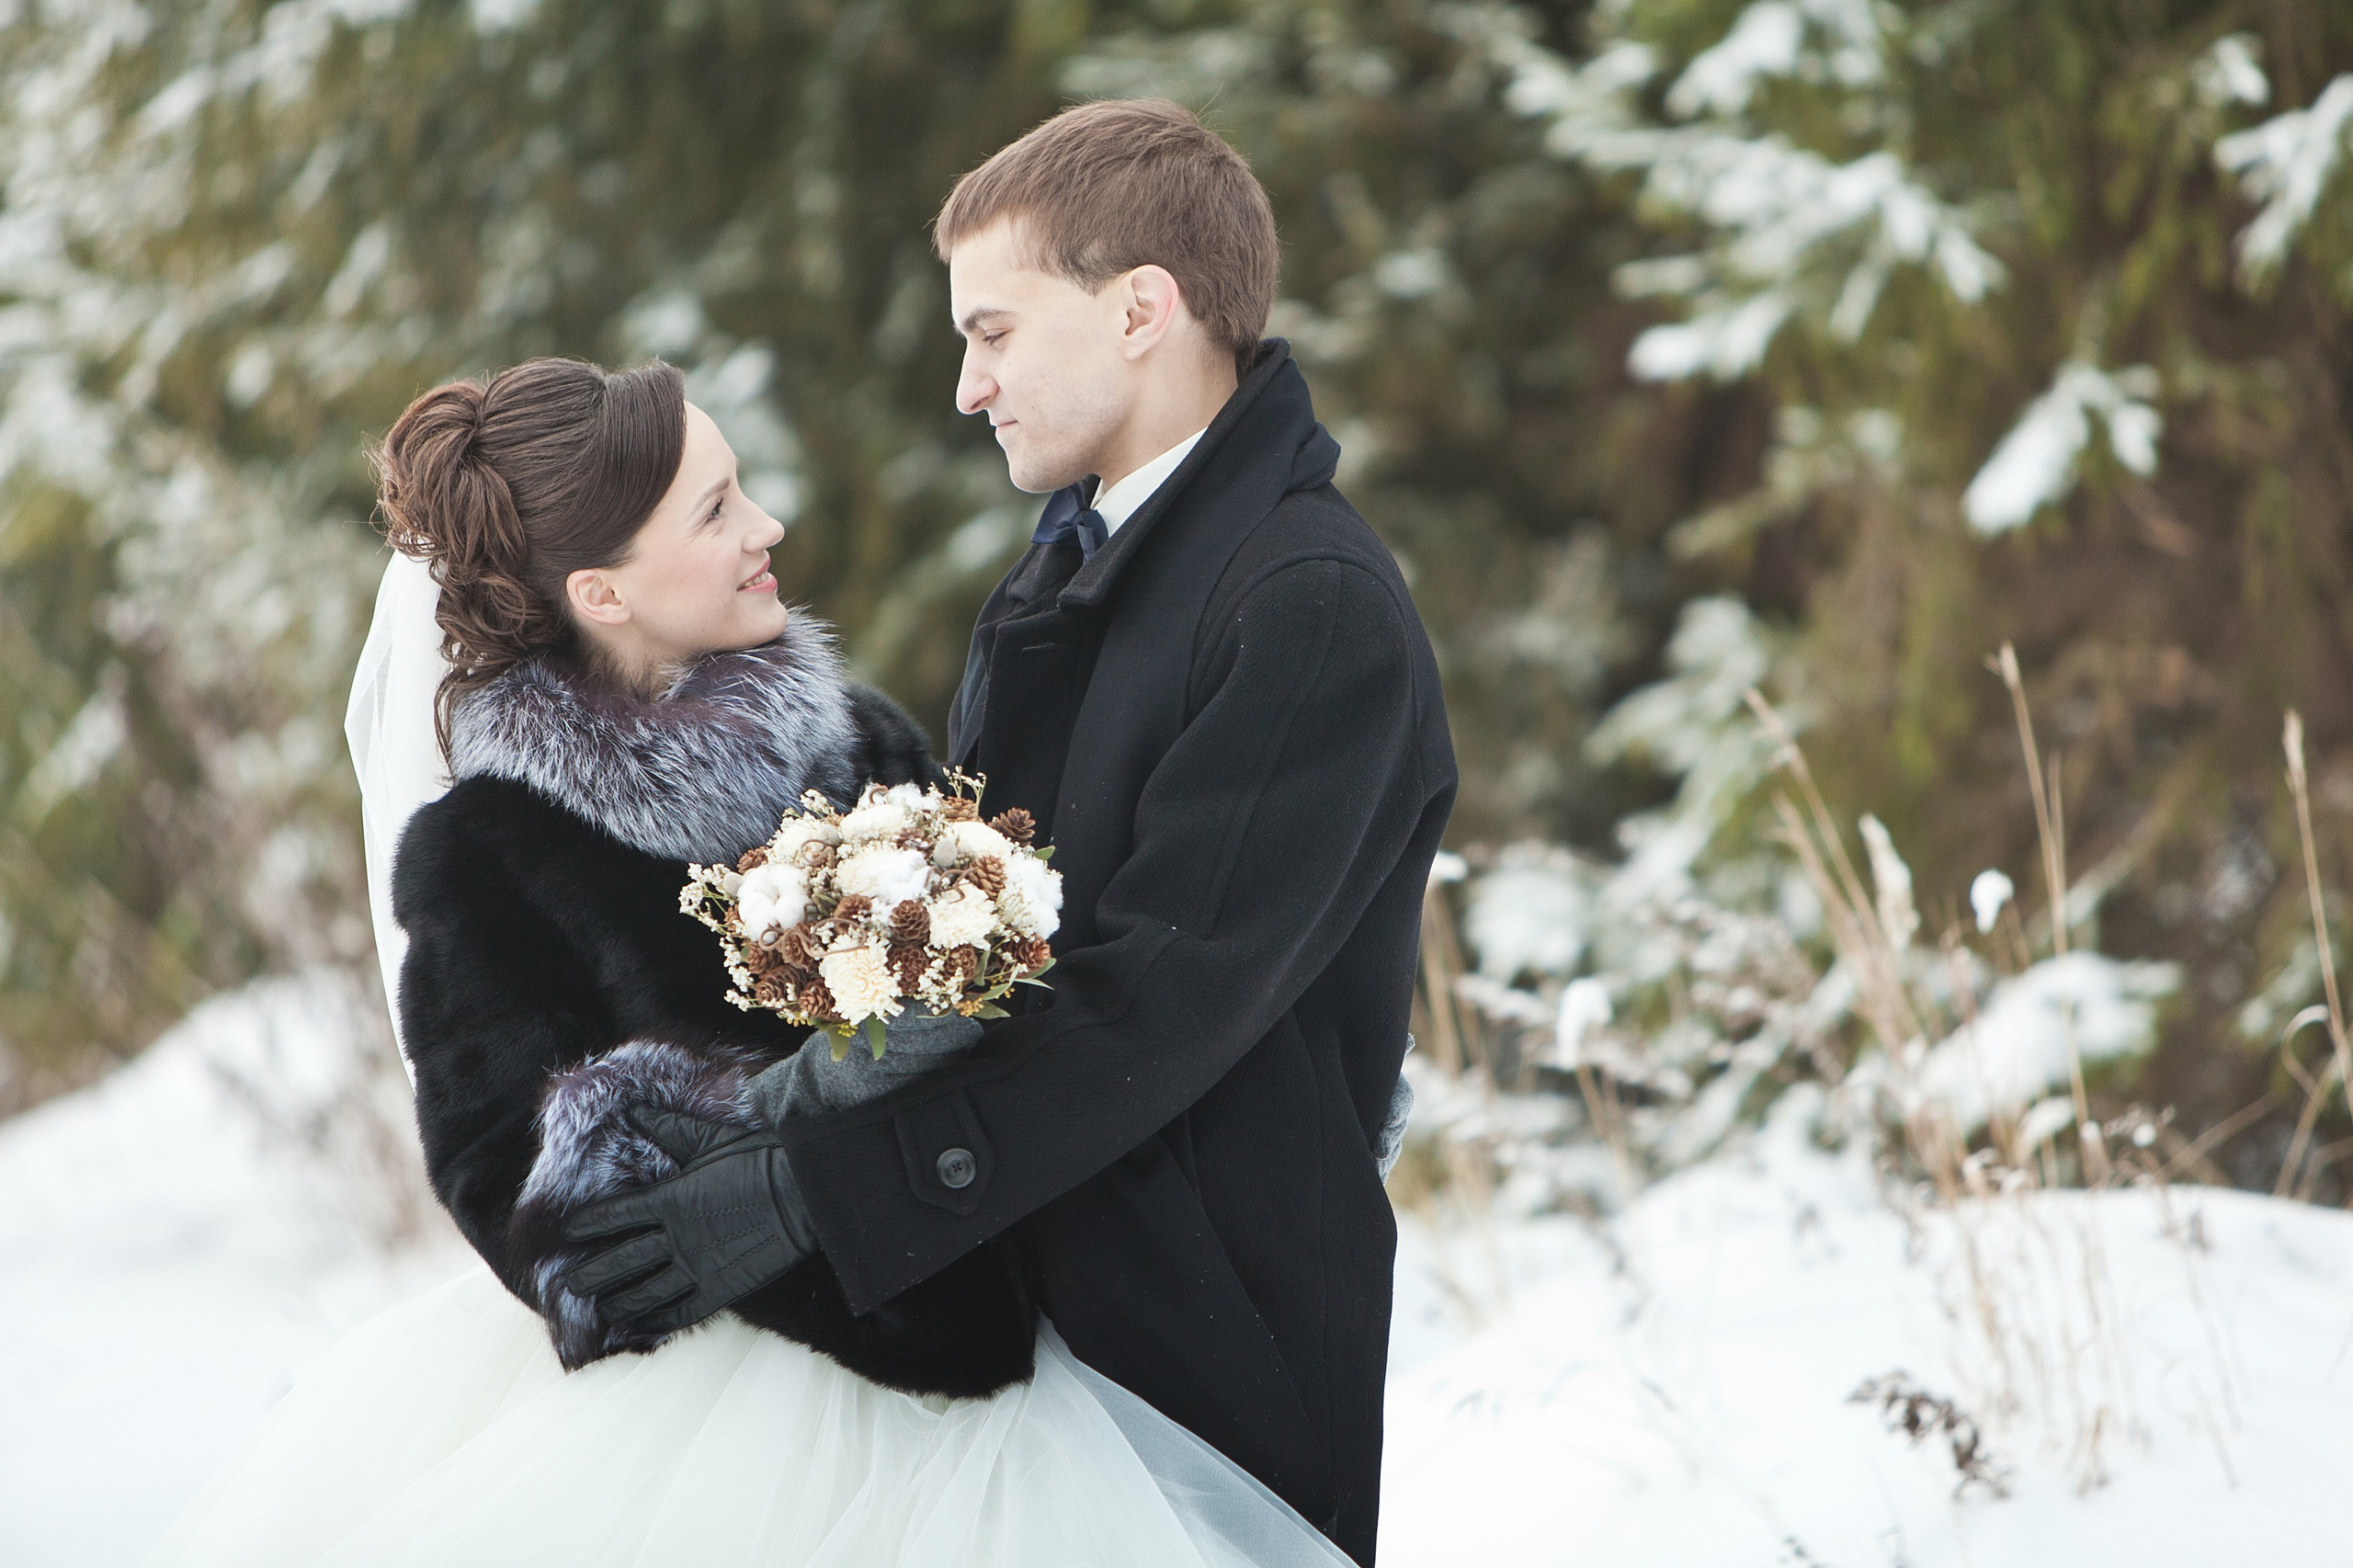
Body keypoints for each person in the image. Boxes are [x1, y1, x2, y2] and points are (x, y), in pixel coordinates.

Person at [139, 355, 1355, 1567]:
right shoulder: (489, 853)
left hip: (1007, 1367)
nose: (767, 525)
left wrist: (955, 1038)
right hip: (725, 1428)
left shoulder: (859, 740)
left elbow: (1028, 1023)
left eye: (742, 490)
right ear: (602, 591)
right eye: (717, 509)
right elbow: (520, 1199)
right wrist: (774, 1165)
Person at [562, 99, 1457, 1565]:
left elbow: (1148, 1006)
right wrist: (777, 1093)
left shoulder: (1307, 607)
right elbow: (990, 965)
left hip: (1202, 1337)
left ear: (1140, 311)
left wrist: (815, 1193)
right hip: (1024, 1309)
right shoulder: (1075, 570)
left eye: (993, 331)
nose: (969, 387)